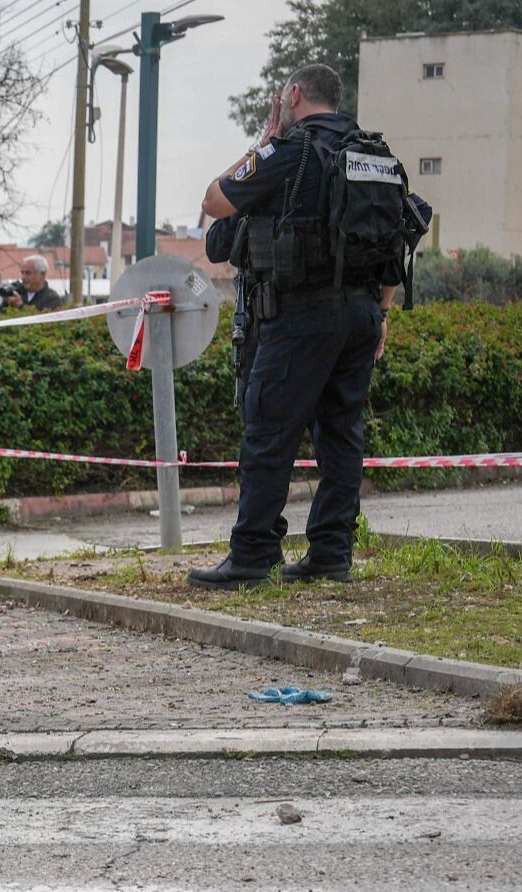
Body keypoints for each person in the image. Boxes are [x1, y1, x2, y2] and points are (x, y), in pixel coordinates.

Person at [190, 63, 410, 589]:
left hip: (302, 314)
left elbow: (214, 199)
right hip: (361, 315)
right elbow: (394, 240)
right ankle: (332, 553)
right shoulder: (376, 157)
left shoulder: (289, 150)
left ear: (292, 95)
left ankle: (252, 555)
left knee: (269, 430)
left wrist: (263, 141)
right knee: (341, 434)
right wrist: (380, 314)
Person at [0, 255, 64, 311]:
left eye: (28, 273)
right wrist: (5, 303)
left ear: (42, 274)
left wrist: (20, 306)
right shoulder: (18, 292)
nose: (23, 277)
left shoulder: (52, 298)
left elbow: (43, 323)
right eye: (22, 273)